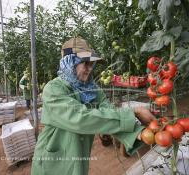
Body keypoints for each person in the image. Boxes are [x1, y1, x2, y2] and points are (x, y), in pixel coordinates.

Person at [31, 37, 155, 175]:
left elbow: (108, 115)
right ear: (70, 62)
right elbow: (80, 119)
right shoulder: (53, 89)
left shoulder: (93, 89)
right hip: (52, 163)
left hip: (79, 158)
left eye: (92, 64)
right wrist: (134, 112)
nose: (90, 69)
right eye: (85, 63)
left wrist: (140, 133)